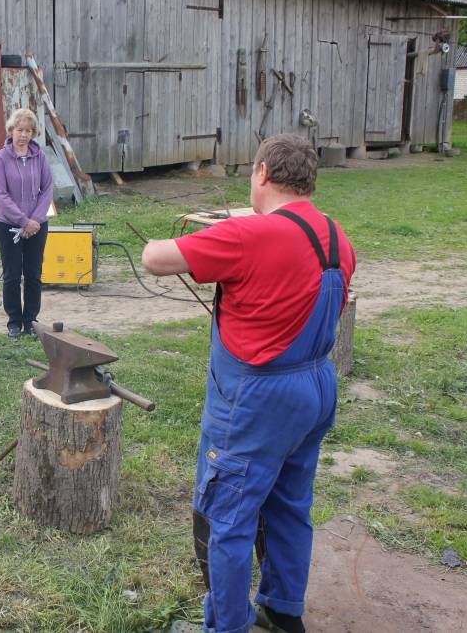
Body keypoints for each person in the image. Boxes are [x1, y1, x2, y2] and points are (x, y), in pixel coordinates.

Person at [141, 134, 356, 633]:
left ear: (261, 173)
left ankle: (227, 626)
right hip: (316, 386)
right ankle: (283, 611)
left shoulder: (250, 235)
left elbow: (156, 258)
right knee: (290, 505)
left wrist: (231, 235)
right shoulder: (335, 236)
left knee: (228, 520)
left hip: (257, 397)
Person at [0, 108, 53, 339]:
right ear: (11, 131)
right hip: (8, 225)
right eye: (20, 130)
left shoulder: (41, 157)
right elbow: (0, 194)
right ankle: (14, 322)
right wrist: (23, 220)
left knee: (34, 273)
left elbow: (47, 189)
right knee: (12, 275)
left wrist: (35, 220)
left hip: (37, 225)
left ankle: (31, 320)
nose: (24, 135)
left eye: (28, 131)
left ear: (33, 133)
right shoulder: (0, 158)